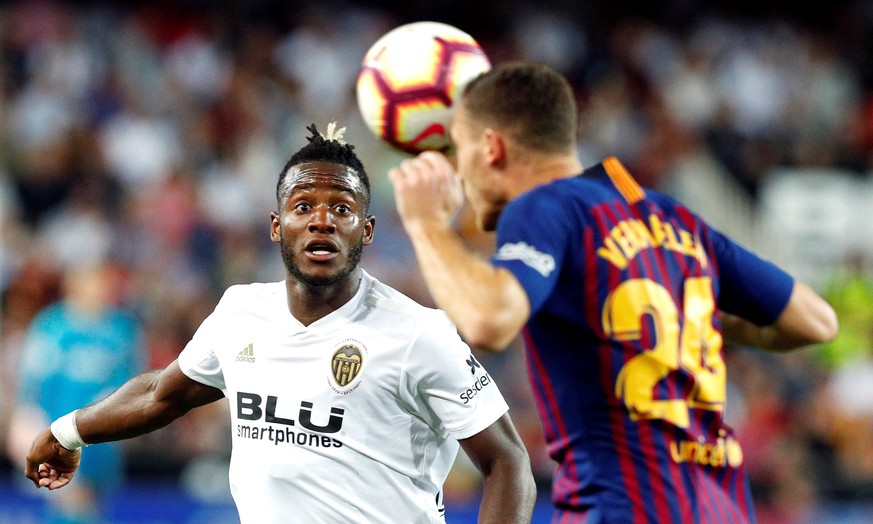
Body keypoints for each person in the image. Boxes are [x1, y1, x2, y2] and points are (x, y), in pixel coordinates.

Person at [388, 61, 839, 523]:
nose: (459, 175)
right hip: (721, 510)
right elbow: (815, 320)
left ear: (492, 148)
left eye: (459, 151)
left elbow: (487, 320)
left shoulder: (545, 204)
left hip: (623, 507)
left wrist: (426, 223)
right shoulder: (671, 216)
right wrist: (686, 318)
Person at [25, 122, 537, 524]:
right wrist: (67, 432)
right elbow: (162, 394)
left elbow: (509, 463)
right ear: (277, 226)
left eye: (343, 207)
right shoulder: (239, 312)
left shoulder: (419, 333)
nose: (322, 219)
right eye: (303, 206)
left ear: (368, 230)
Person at [10, 261, 144, 524]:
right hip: (59, 430)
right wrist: (26, 420)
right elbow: (32, 380)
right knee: (69, 499)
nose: (98, 289)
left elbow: (133, 379)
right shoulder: (52, 326)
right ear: (73, 285)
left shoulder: (121, 329)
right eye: (91, 281)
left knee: (95, 503)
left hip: (104, 435)